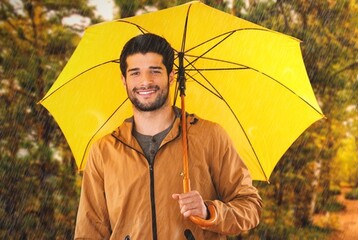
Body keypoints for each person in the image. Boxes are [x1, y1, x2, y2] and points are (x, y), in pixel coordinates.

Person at [74, 33, 262, 239]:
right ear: (124, 80)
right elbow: (89, 231)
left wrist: (210, 212)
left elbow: (249, 206)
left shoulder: (210, 136)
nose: (145, 81)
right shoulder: (104, 151)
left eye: (155, 71)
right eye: (135, 73)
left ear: (171, 76)